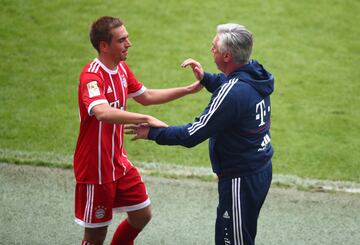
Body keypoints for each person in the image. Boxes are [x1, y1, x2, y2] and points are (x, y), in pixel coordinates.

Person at [129, 23, 274, 245]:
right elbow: (231, 84)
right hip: (259, 169)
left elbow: (192, 134)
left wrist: (154, 133)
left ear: (227, 56)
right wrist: (206, 78)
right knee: (240, 236)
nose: (210, 49)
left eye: (214, 47)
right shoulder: (255, 72)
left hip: (239, 179)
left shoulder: (233, 92)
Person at [73, 16, 202, 245]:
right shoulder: (91, 77)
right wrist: (145, 118)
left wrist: (189, 89)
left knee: (142, 214)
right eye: (122, 40)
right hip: (96, 170)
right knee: (94, 238)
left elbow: (146, 96)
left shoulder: (121, 69)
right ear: (104, 46)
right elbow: (102, 112)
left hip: (118, 163)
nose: (129, 43)